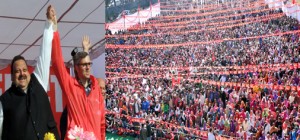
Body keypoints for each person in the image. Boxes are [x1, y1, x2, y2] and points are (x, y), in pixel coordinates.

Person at [0, 5, 60, 140]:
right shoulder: (4, 101)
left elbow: (44, 53)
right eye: (17, 71)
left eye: (24, 70)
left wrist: (48, 24)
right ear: (12, 76)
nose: (22, 74)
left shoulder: (39, 80)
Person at [51, 25, 105, 139]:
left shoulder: (96, 88)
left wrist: (86, 51)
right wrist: (54, 31)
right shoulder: (70, 85)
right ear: (76, 67)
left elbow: (101, 122)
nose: (87, 67)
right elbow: (57, 63)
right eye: (84, 65)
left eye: (89, 64)